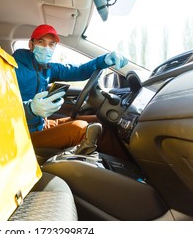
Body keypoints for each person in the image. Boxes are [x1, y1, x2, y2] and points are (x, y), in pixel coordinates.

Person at [13, 24, 128, 153]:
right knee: (80, 128)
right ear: (31, 45)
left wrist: (104, 60)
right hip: (21, 134)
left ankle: (123, 165)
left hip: (41, 125)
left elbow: (79, 71)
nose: (46, 48)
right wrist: (30, 109)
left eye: (51, 44)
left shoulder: (48, 68)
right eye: (41, 42)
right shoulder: (12, 68)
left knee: (100, 119)